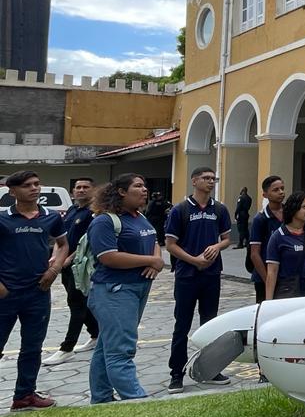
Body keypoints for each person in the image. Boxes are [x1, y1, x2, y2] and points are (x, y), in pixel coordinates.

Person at [86, 173, 162, 404]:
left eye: (144, 185)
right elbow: (108, 257)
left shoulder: (140, 217)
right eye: (138, 186)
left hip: (137, 288)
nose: (144, 190)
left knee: (106, 346)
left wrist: (155, 261)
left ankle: (101, 400)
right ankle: (137, 400)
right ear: (121, 192)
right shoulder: (104, 221)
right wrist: (148, 261)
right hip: (115, 290)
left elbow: (155, 242)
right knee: (121, 349)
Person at [0, 170, 69, 411]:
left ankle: (24, 396)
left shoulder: (51, 217)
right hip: (5, 295)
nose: (34, 188)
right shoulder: (2, 218)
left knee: (32, 347)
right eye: (27, 185)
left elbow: (63, 244)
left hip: (38, 293)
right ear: (12, 191)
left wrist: (55, 269)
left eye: (37, 184)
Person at [164, 166, 232, 394]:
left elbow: (226, 239)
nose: (210, 182)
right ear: (194, 181)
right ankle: (176, 373)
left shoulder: (219, 209)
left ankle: (210, 369)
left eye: (213, 178)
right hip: (187, 275)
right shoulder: (180, 210)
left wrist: (216, 246)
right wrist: (194, 260)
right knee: (181, 325)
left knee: (210, 323)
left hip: (211, 275)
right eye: (206, 178)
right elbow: (171, 245)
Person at [43, 176, 99, 365]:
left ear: (93, 189)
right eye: (78, 187)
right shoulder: (72, 210)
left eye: (85, 187)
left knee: (77, 305)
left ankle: (67, 348)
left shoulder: (95, 212)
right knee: (79, 302)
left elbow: (88, 242)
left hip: (81, 266)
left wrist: (67, 259)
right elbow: (63, 239)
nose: (81, 190)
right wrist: (56, 257)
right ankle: (96, 334)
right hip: (65, 265)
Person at [265, 192, 305, 299]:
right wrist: (268, 301)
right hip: (291, 288)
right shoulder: (278, 236)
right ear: (294, 208)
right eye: (304, 207)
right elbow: (272, 272)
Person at [248, 175, 285, 303]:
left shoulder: (290, 214)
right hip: (264, 276)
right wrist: (268, 279)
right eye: (276, 190)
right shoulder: (261, 219)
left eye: (282, 188)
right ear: (265, 194)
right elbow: (254, 254)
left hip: (286, 276)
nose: (281, 192)